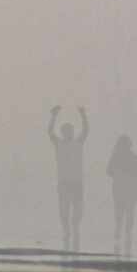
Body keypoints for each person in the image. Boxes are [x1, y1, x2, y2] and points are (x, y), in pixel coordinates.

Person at [48, 106, 89, 252]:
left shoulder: (78, 143)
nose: (68, 133)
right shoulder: (59, 144)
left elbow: (85, 131)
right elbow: (50, 133)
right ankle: (66, 230)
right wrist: (53, 116)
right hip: (64, 181)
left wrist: (83, 115)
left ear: (72, 132)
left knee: (77, 209)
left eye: (70, 131)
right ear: (63, 133)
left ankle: (75, 228)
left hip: (77, 181)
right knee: (64, 209)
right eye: (66, 131)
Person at [106, 135, 137, 256]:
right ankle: (125, 234)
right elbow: (109, 171)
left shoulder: (117, 157)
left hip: (123, 188)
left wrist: (122, 172)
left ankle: (121, 233)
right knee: (126, 212)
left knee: (122, 212)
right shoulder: (132, 157)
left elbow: (109, 171)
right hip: (126, 188)